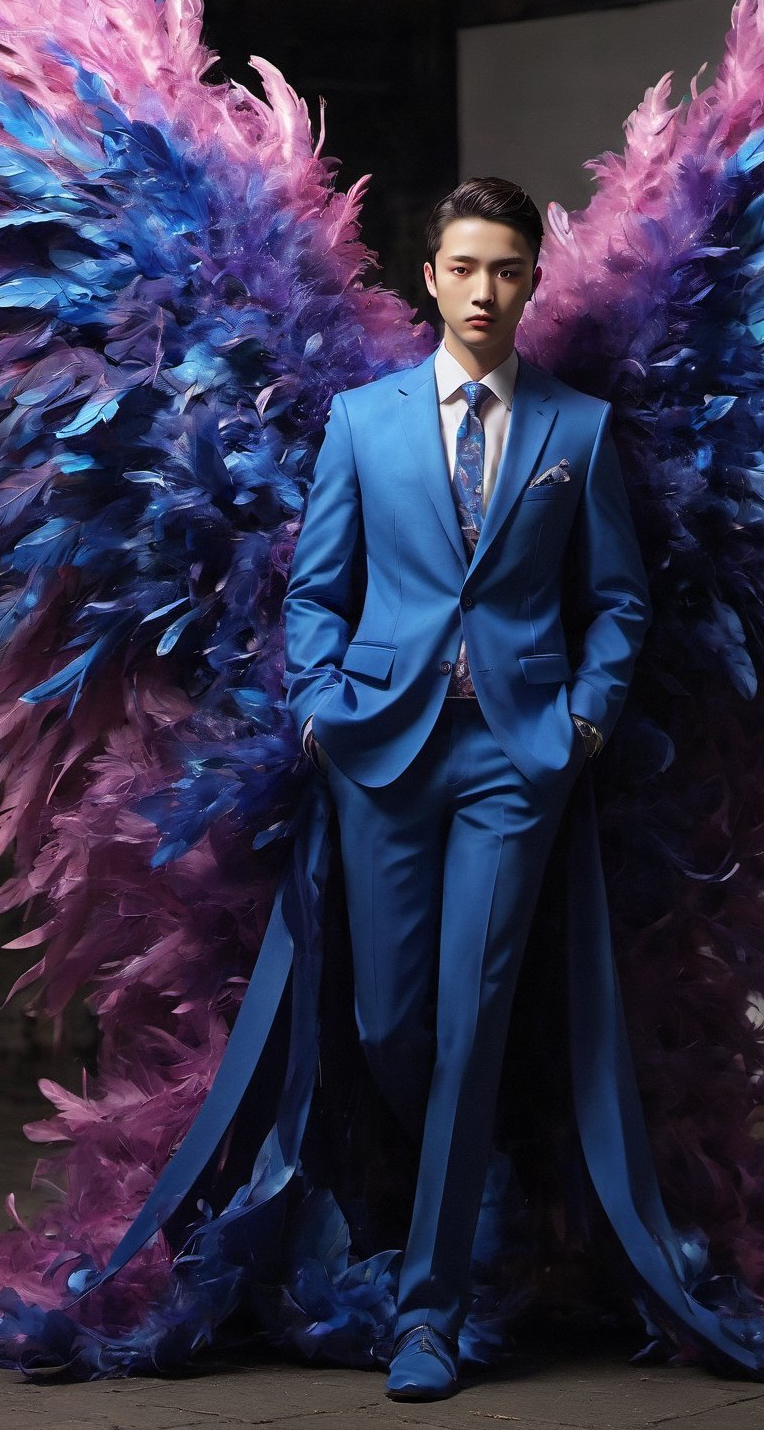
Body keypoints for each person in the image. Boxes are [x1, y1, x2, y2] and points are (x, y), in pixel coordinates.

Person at [280, 176, 652, 1401]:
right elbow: (312, 588)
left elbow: (616, 599)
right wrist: (320, 707)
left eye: (506, 268)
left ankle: (426, 1314)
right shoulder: (360, 421)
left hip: (516, 755)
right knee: (394, 1021)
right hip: (378, 748)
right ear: (427, 278)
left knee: (474, 1011)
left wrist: (583, 720)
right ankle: (434, 1189)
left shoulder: (577, 430)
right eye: (462, 267)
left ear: (531, 278)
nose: (484, 290)